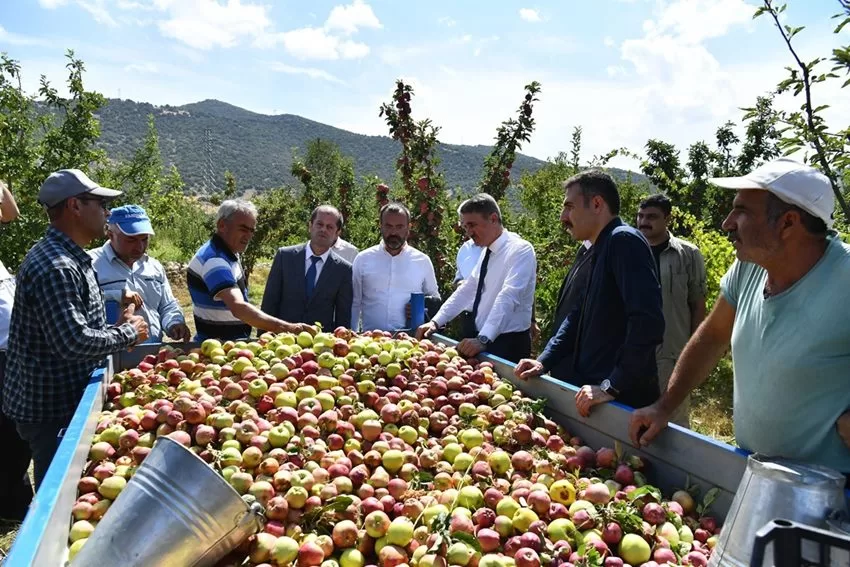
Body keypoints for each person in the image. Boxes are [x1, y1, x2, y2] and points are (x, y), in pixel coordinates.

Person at [630, 158, 850, 474]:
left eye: (742, 211)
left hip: (828, 498)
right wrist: (664, 406)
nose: (727, 222)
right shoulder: (749, 267)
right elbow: (712, 336)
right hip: (752, 474)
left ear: (788, 223)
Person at [2, 169, 149, 489]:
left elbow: (73, 326)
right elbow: (72, 341)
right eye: (99, 203)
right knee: (58, 490)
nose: (106, 213)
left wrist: (113, 326)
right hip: (49, 406)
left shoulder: (70, 257)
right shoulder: (57, 266)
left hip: (54, 395)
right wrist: (127, 334)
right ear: (75, 206)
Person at [514, 170, 664, 416]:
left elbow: (648, 322)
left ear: (596, 204)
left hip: (621, 402)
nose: (563, 217)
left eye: (569, 207)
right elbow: (577, 315)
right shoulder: (599, 248)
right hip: (595, 396)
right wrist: (545, 360)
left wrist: (612, 385)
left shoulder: (623, 241)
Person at [416, 194, 537, 362]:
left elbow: (509, 296)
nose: (469, 233)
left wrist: (484, 339)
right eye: (465, 227)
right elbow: (468, 289)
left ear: (493, 218)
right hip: (482, 340)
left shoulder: (520, 250)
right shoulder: (487, 252)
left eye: (472, 225)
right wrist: (435, 322)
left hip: (508, 343)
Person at [188, 199, 314, 341]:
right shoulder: (215, 261)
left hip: (229, 347)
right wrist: (289, 328)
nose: (248, 236)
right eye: (243, 229)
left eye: (251, 231)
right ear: (222, 225)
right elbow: (238, 307)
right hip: (217, 349)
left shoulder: (229, 253)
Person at [636, 194, 707, 427]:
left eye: (652, 217)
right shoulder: (630, 250)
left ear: (668, 219)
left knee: (672, 417)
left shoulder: (688, 253)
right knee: (630, 413)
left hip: (672, 351)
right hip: (632, 350)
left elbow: (697, 303)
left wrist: (695, 351)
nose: (644, 221)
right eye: (641, 216)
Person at [89, 204, 191, 343]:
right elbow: (80, 304)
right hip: (111, 355)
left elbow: (167, 305)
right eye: (131, 239)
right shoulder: (90, 264)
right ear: (110, 234)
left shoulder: (154, 266)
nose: (139, 246)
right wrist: (117, 295)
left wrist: (174, 323)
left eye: (144, 239)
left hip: (152, 356)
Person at [262, 205, 353, 331]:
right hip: (283, 338)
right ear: (310, 226)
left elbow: (342, 316)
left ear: (338, 233)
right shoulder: (285, 257)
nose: (323, 230)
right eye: (319, 224)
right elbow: (269, 302)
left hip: (321, 344)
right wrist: (263, 336)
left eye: (330, 227)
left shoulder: (344, 270)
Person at [352, 202, 440, 332]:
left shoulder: (422, 261)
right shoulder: (363, 259)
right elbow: (355, 302)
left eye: (399, 227)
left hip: (410, 341)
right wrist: (352, 334)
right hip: (370, 340)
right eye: (388, 226)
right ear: (380, 226)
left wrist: (423, 309)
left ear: (408, 228)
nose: (393, 232)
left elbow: (434, 299)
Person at [0, 181, 33, 520]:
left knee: (15, 430)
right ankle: (11, 505)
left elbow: (12, 212)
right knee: (8, 432)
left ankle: (17, 499)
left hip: (12, 351)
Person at [545, 239, 595, 382]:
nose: (564, 219)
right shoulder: (585, 250)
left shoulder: (604, 253)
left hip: (581, 364)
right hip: (564, 356)